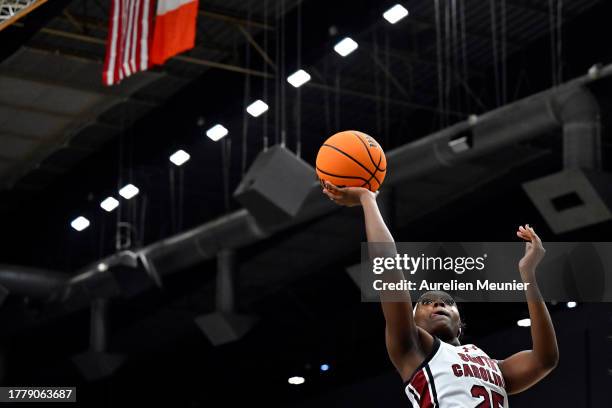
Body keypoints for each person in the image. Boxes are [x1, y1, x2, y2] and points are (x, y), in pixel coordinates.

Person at [322, 181, 559, 407]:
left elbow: (545, 359)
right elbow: (389, 271)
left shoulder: (492, 366)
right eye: (426, 302)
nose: (438, 304)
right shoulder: (413, 348)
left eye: (447, 302)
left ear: (460, 326)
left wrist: (528, 275)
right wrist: (367, 199)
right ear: (411, 322)